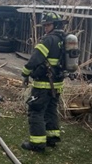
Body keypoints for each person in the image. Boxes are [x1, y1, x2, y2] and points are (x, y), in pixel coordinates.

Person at [20, 11, 69, 152]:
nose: (45, 28)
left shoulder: (48, 40)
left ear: (55, 25)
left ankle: (37, 143)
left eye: (47, 25)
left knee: (36, 111)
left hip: (44, 84)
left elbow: (35, 59)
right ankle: (52, 138)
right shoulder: (64, 39)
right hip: (58, 84)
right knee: (51, 110)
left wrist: (25, 72)